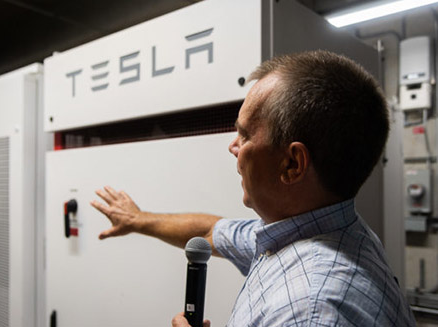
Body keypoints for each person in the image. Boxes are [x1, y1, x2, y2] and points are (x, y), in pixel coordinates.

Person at [91, 50, 416, 326]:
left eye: (245, 135)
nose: (233, 146)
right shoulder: (318, 232)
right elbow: (210, 232)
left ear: (292, 164)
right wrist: (137, 219)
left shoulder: (310, 310)